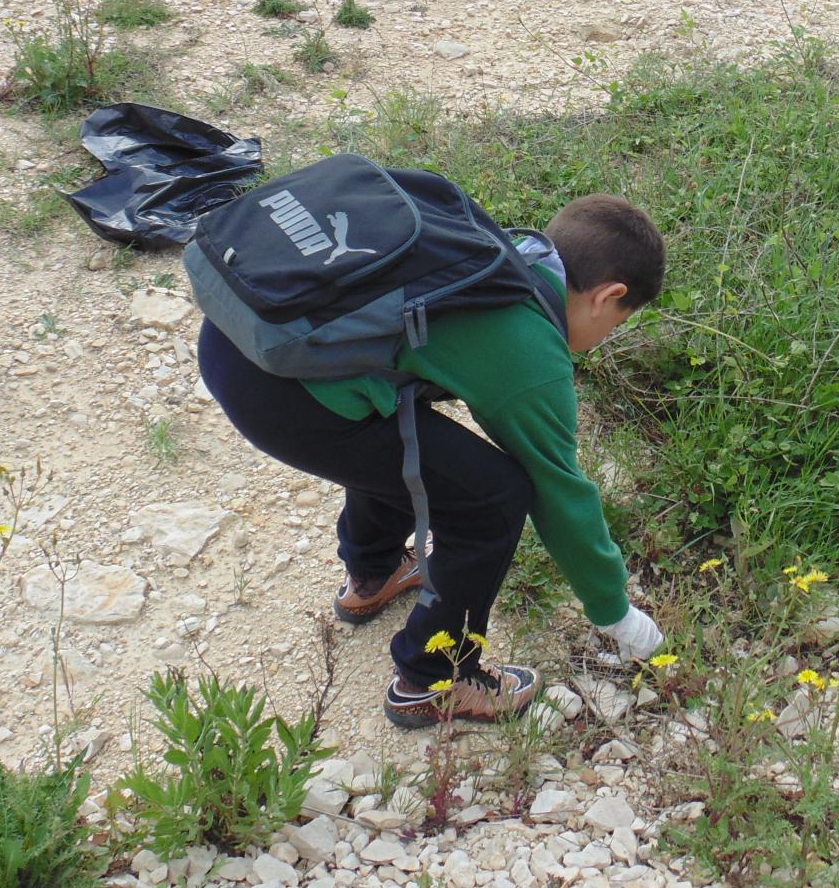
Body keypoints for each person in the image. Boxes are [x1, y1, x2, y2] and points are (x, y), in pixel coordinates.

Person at [197, 193, 668, 728]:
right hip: (277, 391)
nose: (604, 339)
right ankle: (434, 678)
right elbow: (559, 489)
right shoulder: (529, 349)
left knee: (412, 438)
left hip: (236, 335)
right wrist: (615, 612)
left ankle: (373, 574)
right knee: (493, 499)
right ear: (608, 296)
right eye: (617, 324)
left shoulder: (502, 251)